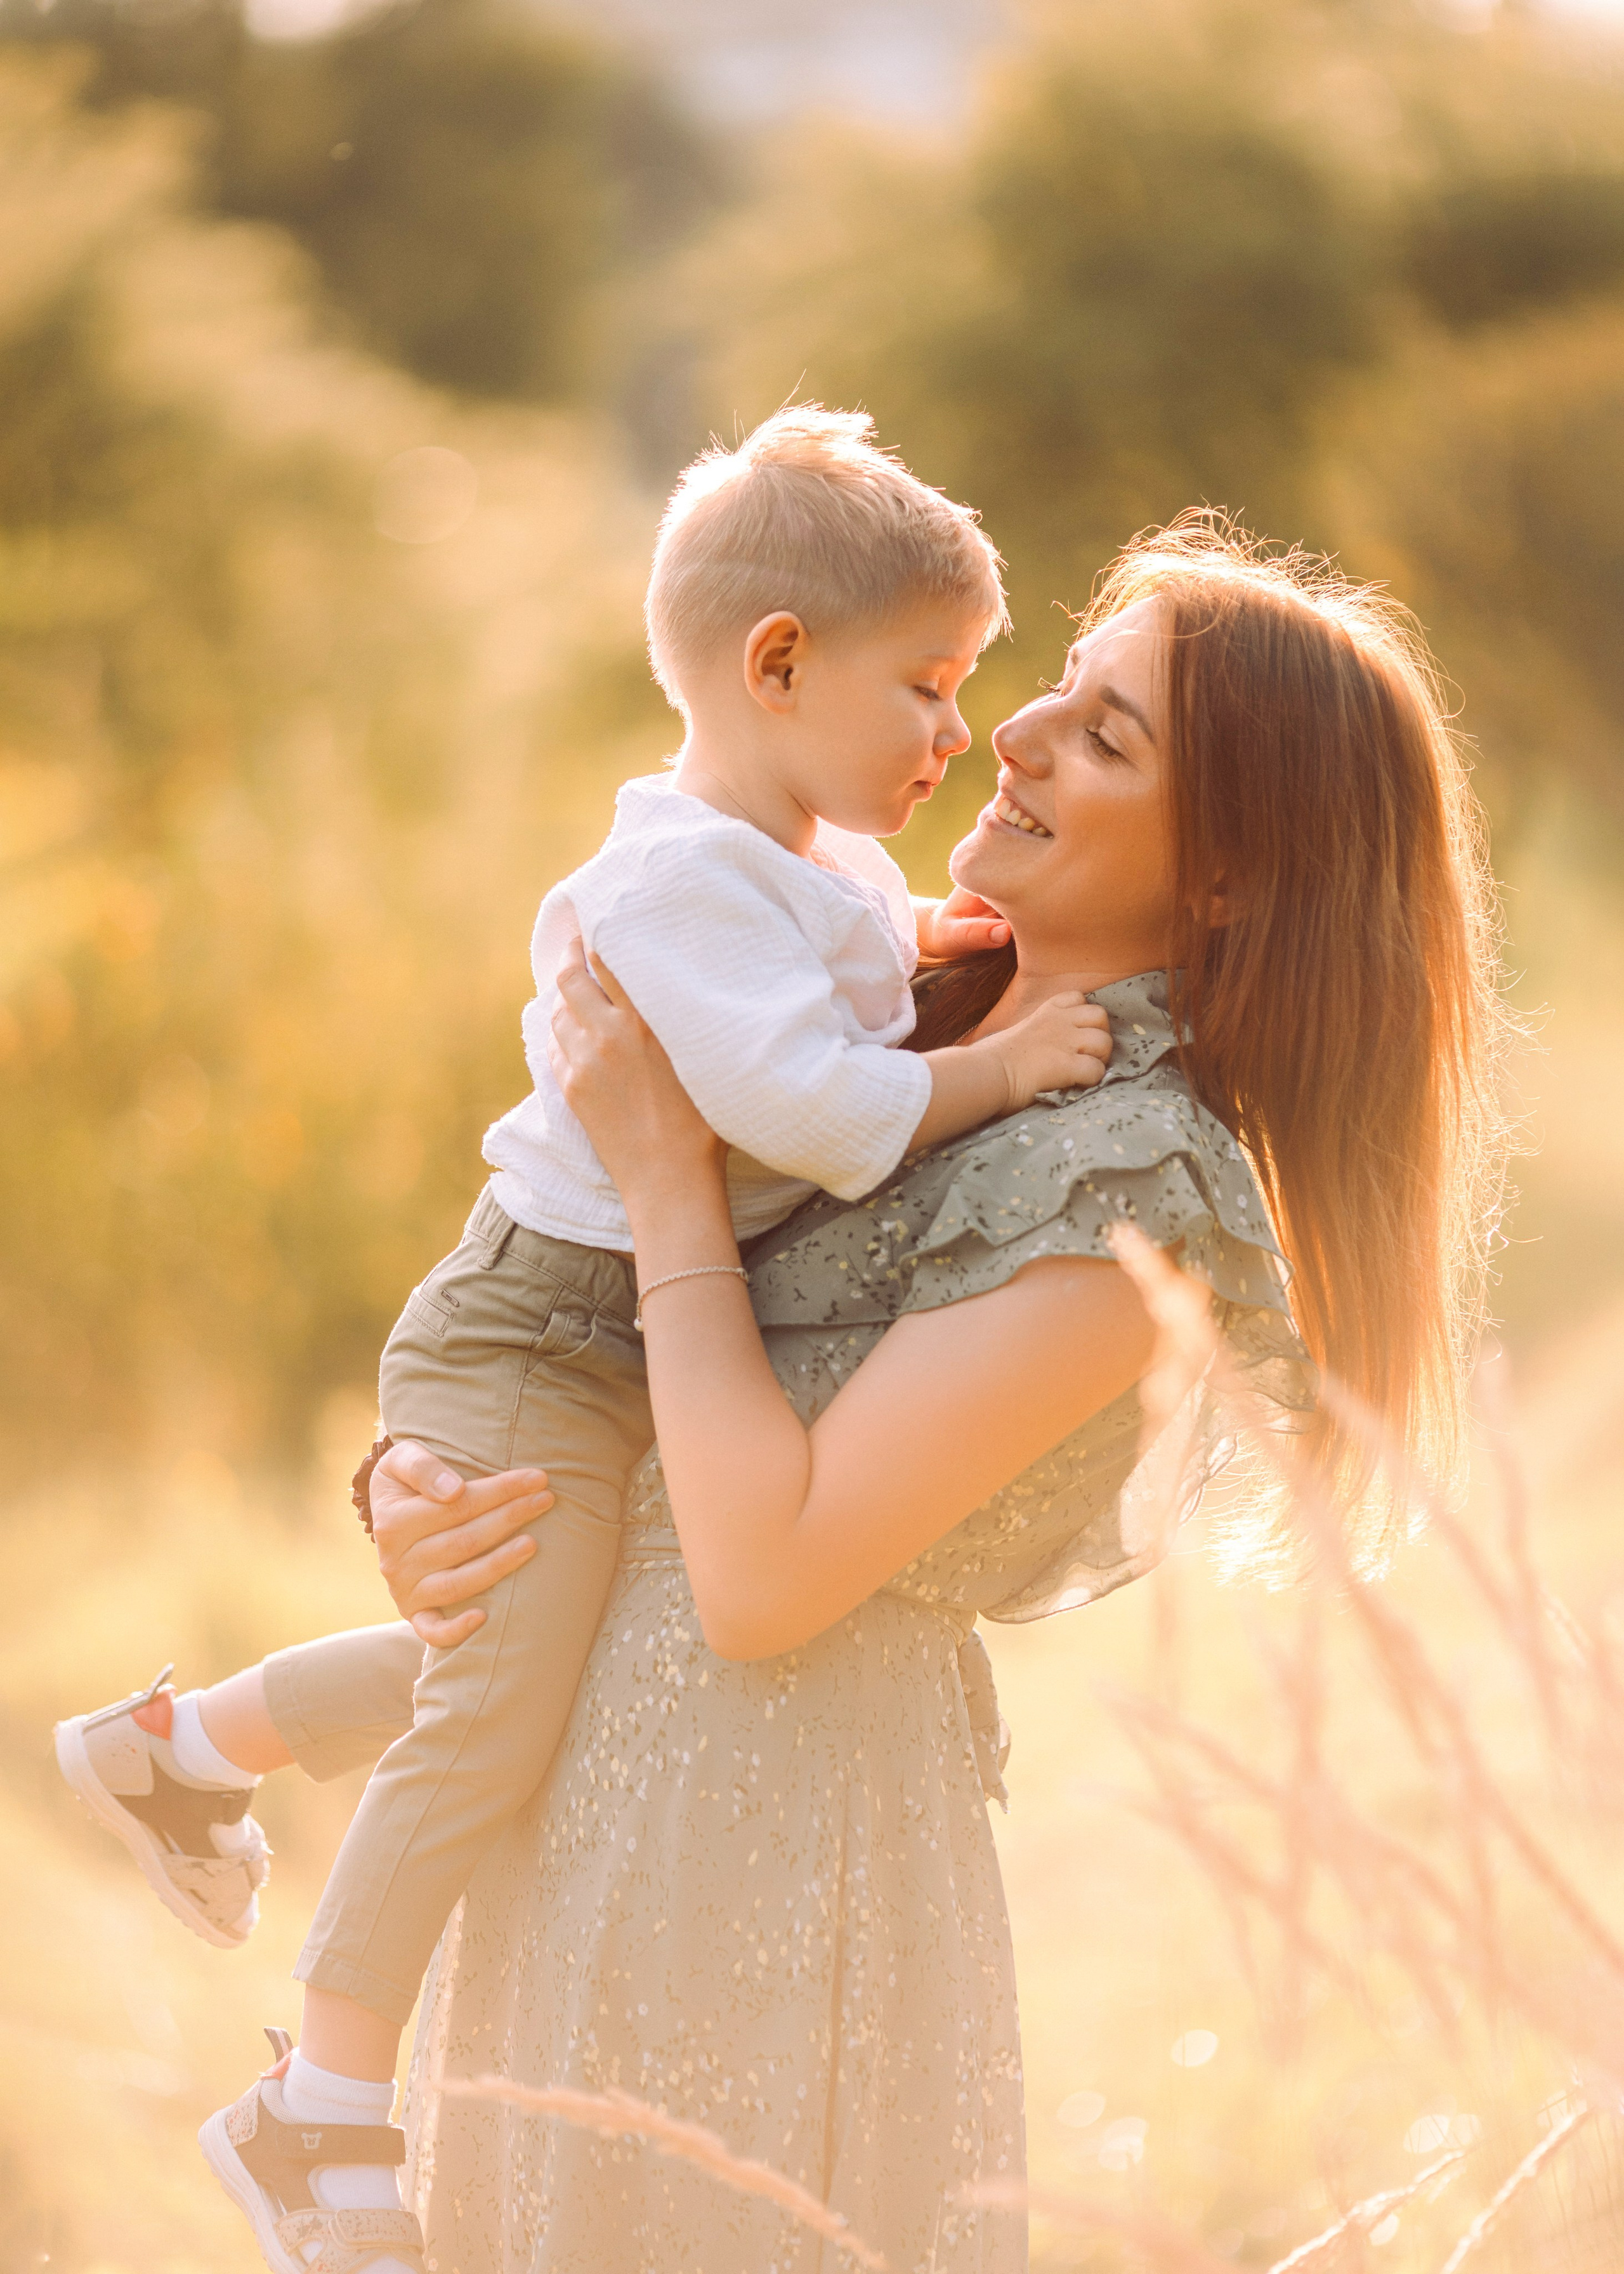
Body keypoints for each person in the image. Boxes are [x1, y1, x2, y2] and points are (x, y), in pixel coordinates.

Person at [77, 515, 1505, 2274]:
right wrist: (428, 1489)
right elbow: (598, 1298)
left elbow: (757, 1576)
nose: (1009, 734)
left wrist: (674, 1183)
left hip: (763, 1861)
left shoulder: (1124, 1184)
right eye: (1048, 689)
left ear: (1224, 882)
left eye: (1105, 734)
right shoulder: (867, 999)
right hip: (572, 1806)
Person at [54, 408, 1116, 2274]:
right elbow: (813, 1109)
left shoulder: (820, 865)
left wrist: (939, 967)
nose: (964, 735)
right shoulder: (676, 881)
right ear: (775, 663)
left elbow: (852, 1000)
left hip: (610, 1332)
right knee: (497, 1692)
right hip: (541, 1323)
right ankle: (320, 2105)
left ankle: (187, 1745)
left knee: (554, 1641)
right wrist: (1000, 1062)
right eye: (930, 687)